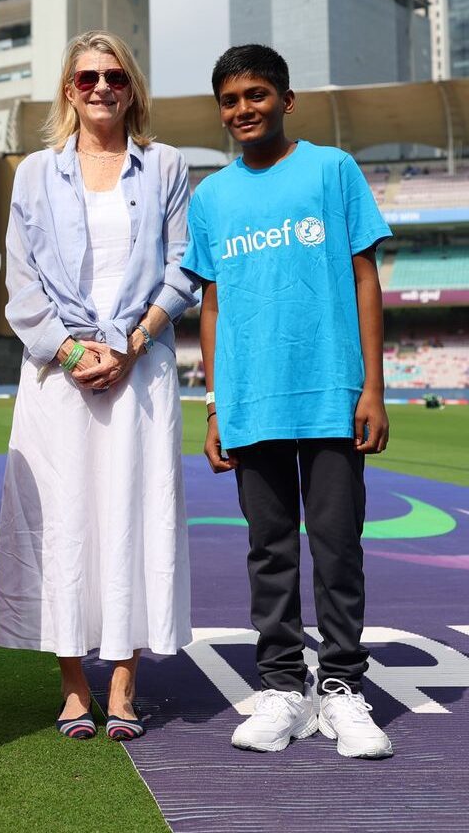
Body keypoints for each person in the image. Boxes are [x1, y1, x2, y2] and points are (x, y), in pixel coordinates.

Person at [181, 43, 394, 759]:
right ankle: (280, 687)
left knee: (338, 547)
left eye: (257, 96)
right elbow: (210, 306)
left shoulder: (332, 170)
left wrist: (373, 386)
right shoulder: (210, 197)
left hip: (331, 392)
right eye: (231, 100)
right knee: (268, 550)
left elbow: (365, 277)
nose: (244, 110)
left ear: (286, 100)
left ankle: (341, 688)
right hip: (250, 400)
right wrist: (213, 403)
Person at [0, 31, 197, 741]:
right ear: (68, 91)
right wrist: (74, 350)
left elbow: (183, 268)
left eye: (114, 76)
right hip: (58, 375)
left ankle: (125, 683)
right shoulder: (35, 174)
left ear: (132, 88)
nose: (101, 87)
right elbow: (20, 283)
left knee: (134, 516)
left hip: (142, 373)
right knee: (64, 521)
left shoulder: (167, 166)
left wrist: (133, 344)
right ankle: (74, 685)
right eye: (86, 79)